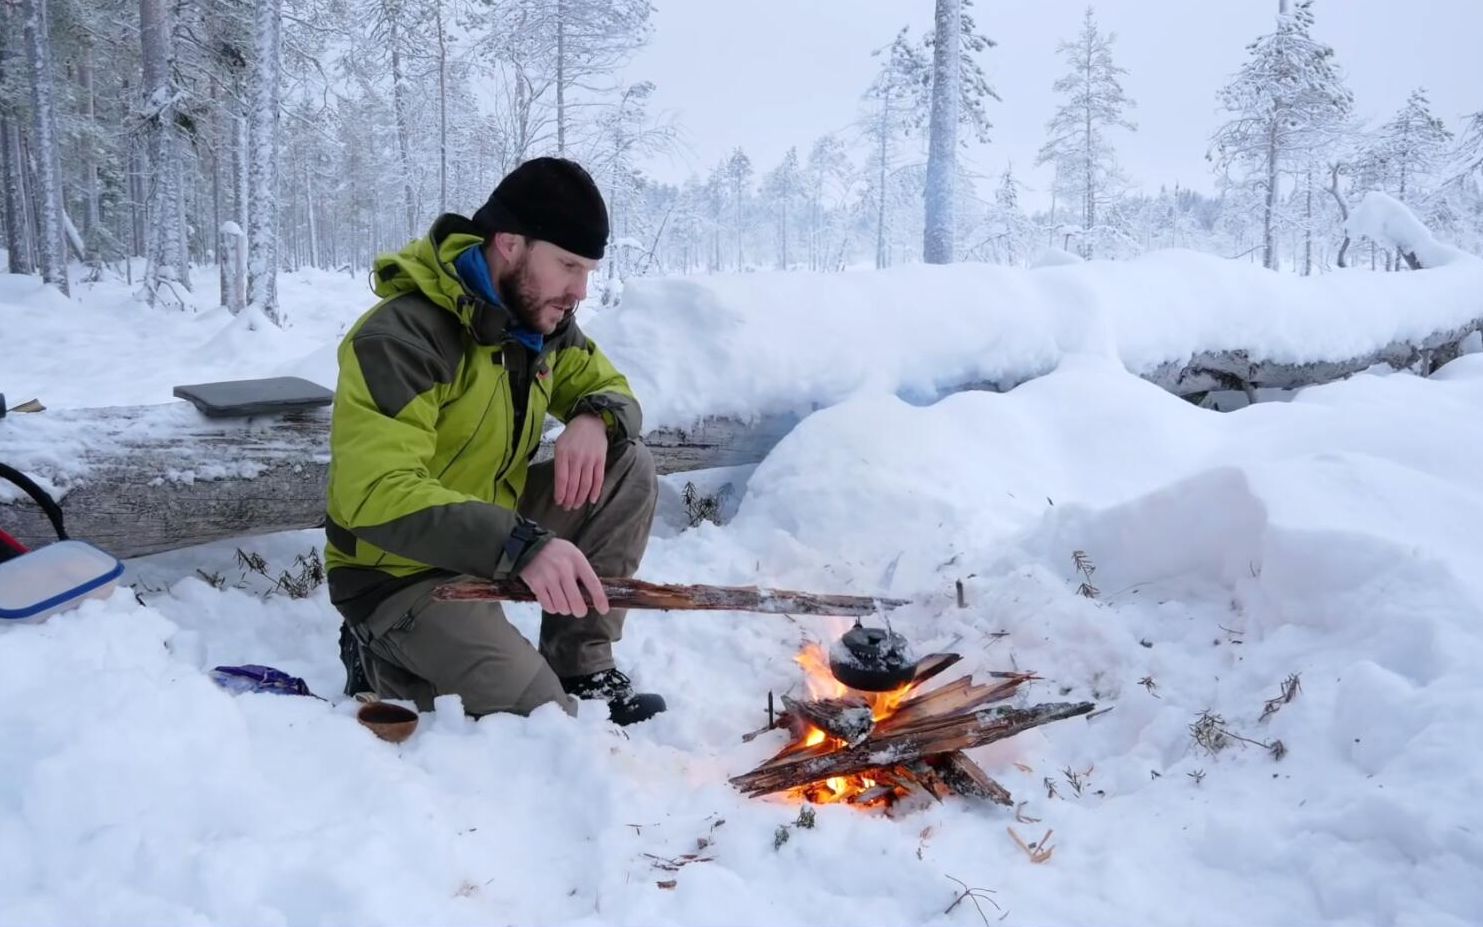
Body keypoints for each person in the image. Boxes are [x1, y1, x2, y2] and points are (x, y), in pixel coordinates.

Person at [323, 157, 664, 726]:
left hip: (488, 531)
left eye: (588, 271)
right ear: (509, 243)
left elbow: (613, 390)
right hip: (399, 569)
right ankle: (378, 648)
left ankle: (579, 660)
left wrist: (593, 420)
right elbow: (373, 493)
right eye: (568, 266)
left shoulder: (537, 323)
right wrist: (520, 545)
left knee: (627, 464)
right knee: (541, 720)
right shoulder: (401, 337)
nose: (579, 290)